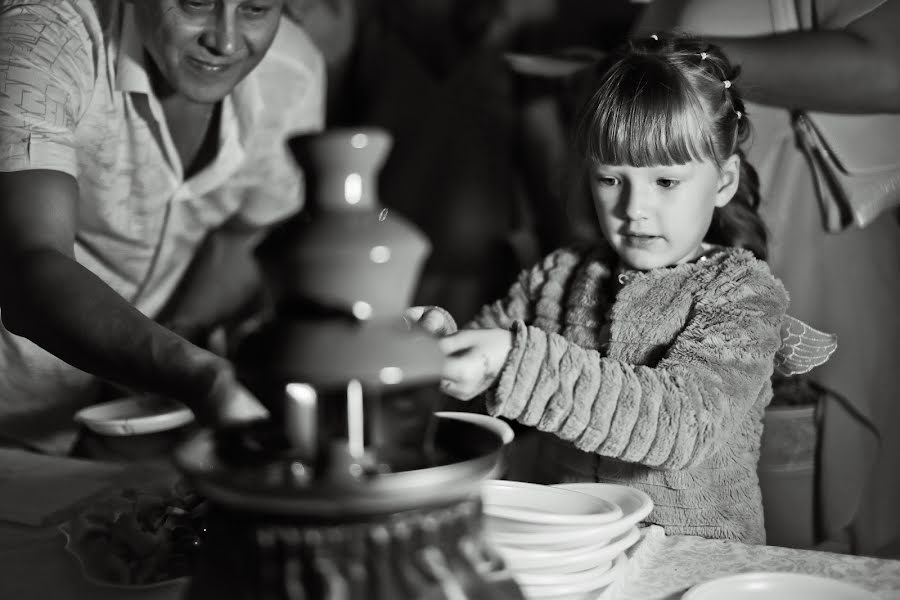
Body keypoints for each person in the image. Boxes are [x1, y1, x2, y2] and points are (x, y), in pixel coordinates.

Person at [410, 34, 795, 544]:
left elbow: (680, 424)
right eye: (611, 178)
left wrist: (514, 362)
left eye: (666, 182)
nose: (634, 208)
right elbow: (481, 390)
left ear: (723, 181)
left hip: (694, 564)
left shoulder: (742, 293)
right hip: (569, 552)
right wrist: (435, 351)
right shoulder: (560, 274)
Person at [633, 0, 900, 556]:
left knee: (790, 553)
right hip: (682, 275)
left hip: (802, 259)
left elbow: (889, 66)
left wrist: (685, 59)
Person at [0, 0, 325, 454]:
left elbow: (241, 234)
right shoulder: (45, 35)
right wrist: (195, 374)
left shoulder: (294, 72)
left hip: (140, 412)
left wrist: (174, 341)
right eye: (196, 3)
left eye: (254, 9)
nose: (226, 41)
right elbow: (27, 266)